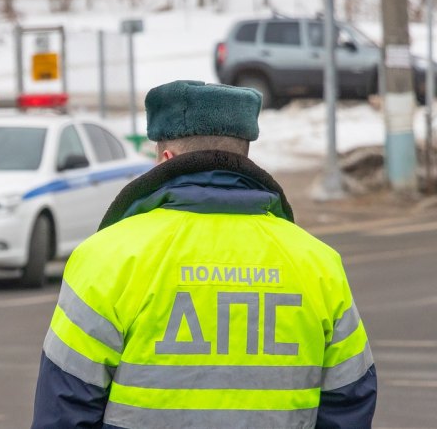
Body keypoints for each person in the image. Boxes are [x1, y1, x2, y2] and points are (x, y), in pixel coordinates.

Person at [32, 80, 376, 428]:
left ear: (166, 159)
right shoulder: (318, 264)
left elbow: (65, 406)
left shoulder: (105, 258)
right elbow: (349, 401)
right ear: (244, 157)